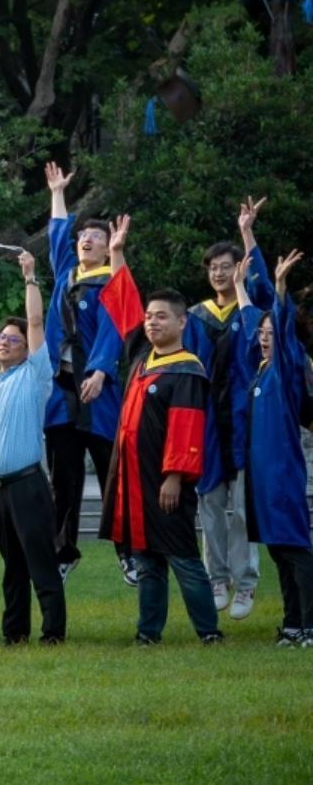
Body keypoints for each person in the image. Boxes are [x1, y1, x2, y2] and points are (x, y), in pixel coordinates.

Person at [98, 221, 221, 646]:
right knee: (147, 562)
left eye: (161, 316)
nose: (151, 322)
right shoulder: (141, 357)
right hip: (134, 482)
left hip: (165, 482)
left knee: (183, 558)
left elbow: (186, 428)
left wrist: (174, 477)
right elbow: (124, 305)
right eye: (150, 317)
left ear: (182, 321)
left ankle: (209, 631)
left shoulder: (186, 368)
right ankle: (148, 632)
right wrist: (116, 252)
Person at [0, 250, 66, 646]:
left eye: (13, 339)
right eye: (1, 338)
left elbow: (36, 321)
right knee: (12, 565)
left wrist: (30, 278)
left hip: (26, 484)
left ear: (27, 348)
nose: (4, 343)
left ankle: (53, 632)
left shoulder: (35, 375)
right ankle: (15, 632)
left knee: (40, 560)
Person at [41, 164, 133, 585]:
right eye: (84, 236)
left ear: (107, 247)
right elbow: (58, 236)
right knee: (62, 478)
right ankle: (63, 552)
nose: (86, 240)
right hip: (61, 389)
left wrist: (99, 370)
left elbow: (116, 327)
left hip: (99, 390)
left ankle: (128, 552)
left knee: (114, 474)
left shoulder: (112, 283)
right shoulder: (66, 276)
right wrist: (58, 193)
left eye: (95, 237)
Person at [184, 200, 273, 620]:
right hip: (208, 423)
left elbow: (263, 291)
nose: (219, 273)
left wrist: (246, 233)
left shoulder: (251, 312)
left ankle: (247, 581)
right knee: (210, 504)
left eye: (227, 267)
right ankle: (216, 576)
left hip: (243, 420)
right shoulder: (195, 317)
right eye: (214, 268)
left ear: (239, 270)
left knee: (243, 505)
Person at [234, 236, 313, 646]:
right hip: (262, 476)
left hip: (282, 472)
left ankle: (310, 625)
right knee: (279, 550)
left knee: (295, 547)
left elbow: (280, 327)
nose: (264, 337)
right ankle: (293, 623)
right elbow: (251, 318)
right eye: (262, 333)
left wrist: (279, 287)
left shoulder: (286, 366)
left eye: (271, 332)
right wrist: (239, 286)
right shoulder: (261, 370)